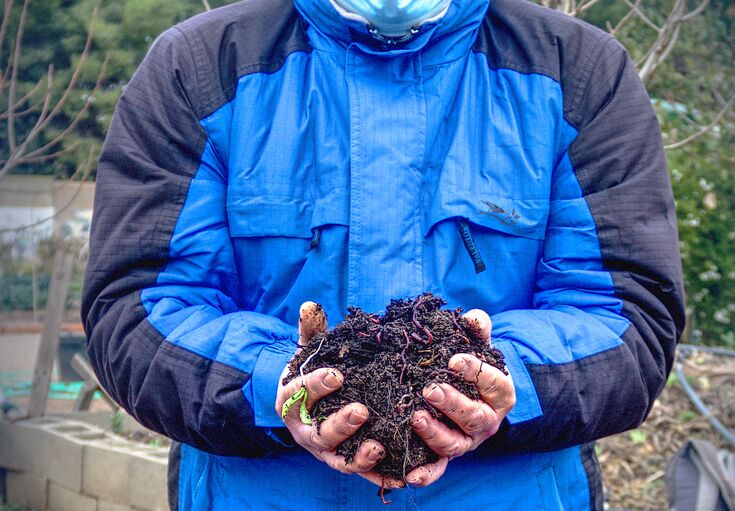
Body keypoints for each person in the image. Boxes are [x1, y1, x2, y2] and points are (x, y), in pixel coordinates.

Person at [82, 0, 686, 509]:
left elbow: (626, 317)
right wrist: (278, 383)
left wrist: (503, 384)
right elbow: (138, 311)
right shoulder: (201, 68)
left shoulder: (577, 72)